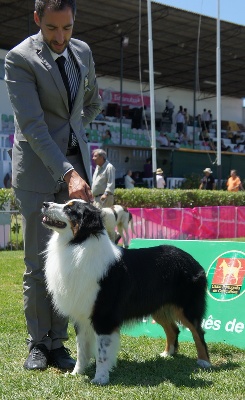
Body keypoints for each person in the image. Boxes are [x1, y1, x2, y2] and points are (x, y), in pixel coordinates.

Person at [4, 0, 101, 371]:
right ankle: (38, 344)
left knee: (72, 261)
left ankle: (59, 344)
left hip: (74, 171)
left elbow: (92, 101)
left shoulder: (83, 52)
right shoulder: (19, 59)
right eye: (51, 29)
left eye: (68, 28)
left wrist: (74, 130)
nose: (61, 37)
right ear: (36, 20)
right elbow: (33, 127)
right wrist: (67, 171)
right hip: (36, 173)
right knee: (35, 262)